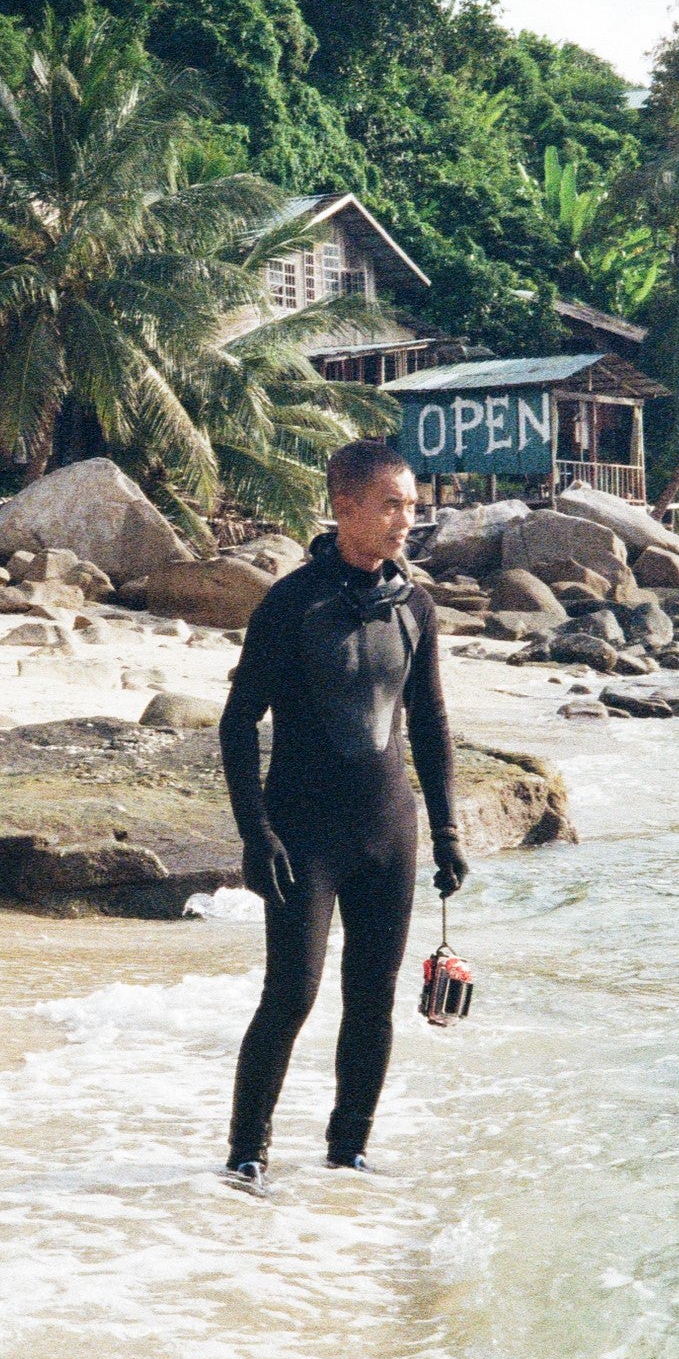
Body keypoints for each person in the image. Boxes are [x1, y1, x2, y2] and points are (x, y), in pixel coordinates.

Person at [218, 437, 467, 1186]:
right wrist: (254, 832)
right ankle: (246, 1155)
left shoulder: (414, 604)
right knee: (290, 995)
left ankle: (348, 1150)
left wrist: (448, 830)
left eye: (411, 508)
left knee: (373, 999)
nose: (404, 522)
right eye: (390, 505)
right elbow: (237, 722)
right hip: (303, 835)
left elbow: (429, 723)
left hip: (389, 831)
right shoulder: (291, 604)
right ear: (344, 507)